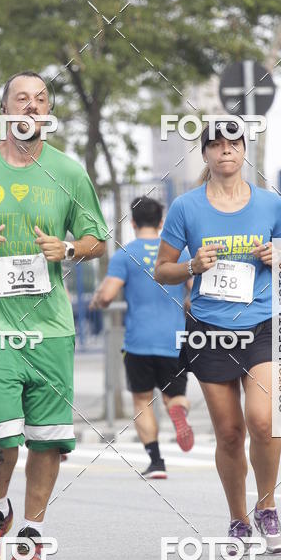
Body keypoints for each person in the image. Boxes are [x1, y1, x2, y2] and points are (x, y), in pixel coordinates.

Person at [0, 70, 107, 560]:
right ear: (5, 110)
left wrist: (69, 249)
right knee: (1, 430)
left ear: (47, 112)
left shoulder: (69, 172)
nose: (32, 106)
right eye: (22, 98)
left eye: (41, 99)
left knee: (48, 436)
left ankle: (32, 530)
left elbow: (97, 239)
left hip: (49, 322)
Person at [154, 121, 281, 554]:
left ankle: (267, 506)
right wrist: (192, 266)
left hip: (261, 324)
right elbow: (162, 270)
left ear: (244, 151)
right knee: (230, 433)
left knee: (263, 421)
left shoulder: (271, 204)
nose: (225, 151)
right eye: (215, 145)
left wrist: (277, 257)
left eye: (233, 144)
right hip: (210, 330)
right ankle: (238, 519)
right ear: (205, 154)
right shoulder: (186, 207)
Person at [89, 196, 194, 478]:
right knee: (175, 396)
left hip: (139, 342)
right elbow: (194, 289)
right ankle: (179, 412)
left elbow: (108, 295)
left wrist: (97, 300)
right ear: (161, 223)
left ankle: (156, 462)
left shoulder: (125, 255)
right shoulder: (179, 253)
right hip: (174, 340)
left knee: (142, 401)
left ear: (133, 223)